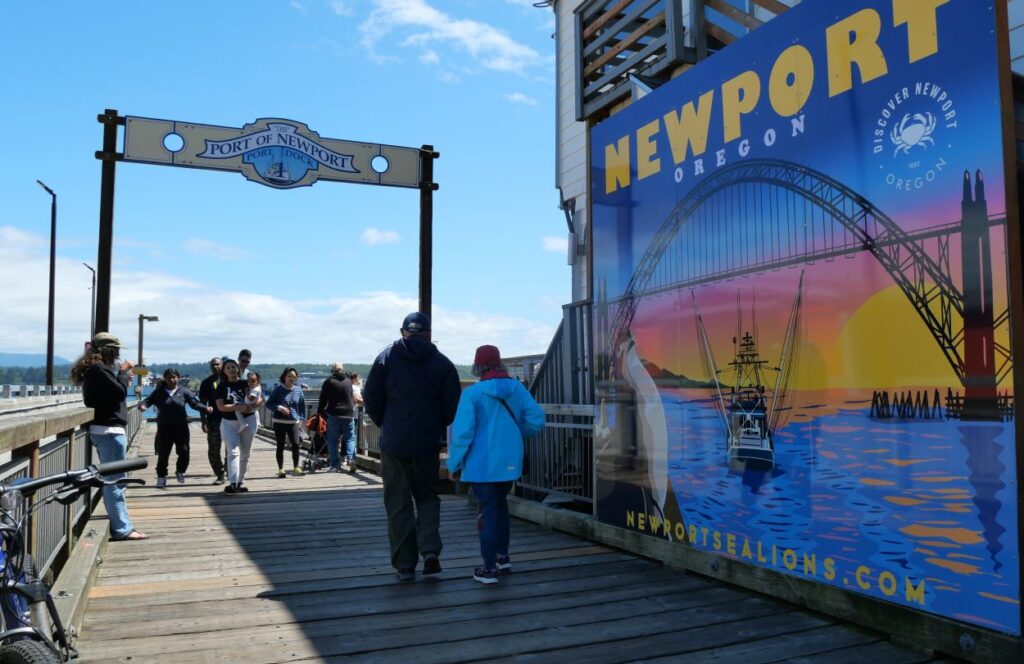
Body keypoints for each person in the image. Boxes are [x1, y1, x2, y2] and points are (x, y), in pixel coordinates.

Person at [364, 312, 461, 581]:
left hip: (394, 441)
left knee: (398, 502)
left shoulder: (386, 359)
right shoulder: (442, 364)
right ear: (429, 334)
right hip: (426, 443)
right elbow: (451, 408)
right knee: (427, 497)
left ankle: (405, 566)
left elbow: (371, 397)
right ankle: (430, 551)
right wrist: (433, 427)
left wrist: (388, 423)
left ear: (403, 331)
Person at [448, 345, 544, 584]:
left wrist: (453, 464)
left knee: (487, 511)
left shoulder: (472, 394)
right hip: (510, 462)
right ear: (499, 363)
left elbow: (462, 434)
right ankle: (503, 556)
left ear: (477, 366)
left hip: (481, 466)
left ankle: (489, 567)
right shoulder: (517, 389)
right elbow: (536, 420)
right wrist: (517, 434)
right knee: (500, 507)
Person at [71, 332, 148, 541]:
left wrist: (123, 379)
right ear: (108, 351)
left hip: (104, 430)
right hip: (109, 432)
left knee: (113, 479)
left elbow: (113, 393)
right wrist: (123, 373)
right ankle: (122, 529)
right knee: (115, 481)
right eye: (116, 351)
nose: (117, 356)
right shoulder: (98, 369)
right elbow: (119, 393)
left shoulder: (96, 370)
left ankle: (121, 523)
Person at [138, 368, 212, 488]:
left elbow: (195, 403)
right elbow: (147, 401)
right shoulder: (159, 392)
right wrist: (143, 406)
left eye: (174, 377)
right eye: (169, 377)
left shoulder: (184, 392)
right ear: (165, 379)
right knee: (163, 453)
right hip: (164, 428)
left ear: (178, 378)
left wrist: (205, 408)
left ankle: (180, 471)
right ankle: (161, 477)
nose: (172, 380)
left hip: (181, 427)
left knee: (184, 451)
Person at [216, 358, 262, 494]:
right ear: (224, 371)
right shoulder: (222, 386)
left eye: (233, 367)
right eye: (228, 367)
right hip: (229, 422)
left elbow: (261, 398)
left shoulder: (246, 383)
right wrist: (236, 407)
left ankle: (241, 481)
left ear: (238, 369)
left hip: (249, 420)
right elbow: (221, 406)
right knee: (233, 451)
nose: (231, 370)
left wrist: (251, 406)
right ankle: (233, 482)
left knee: (245, 453)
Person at [267, 367, 307, 477]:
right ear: (284, 377)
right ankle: (281, 469)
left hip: (293, 422)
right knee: (280, 445)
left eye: (294, 377)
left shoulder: (298, 390)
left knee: (296, 444)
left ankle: (296, 467)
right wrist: (279, 407)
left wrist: (302, 419)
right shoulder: (278, 390)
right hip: (279, 421)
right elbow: (269, 403)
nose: (291, 378)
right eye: (289, 376)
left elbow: (302, 406)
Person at [318, 363, 357, 472]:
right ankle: (351, 459)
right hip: (349, 413)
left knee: (332, 440)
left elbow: (323, 399)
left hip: (334, 413)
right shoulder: (348, 381)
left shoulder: (329, 381)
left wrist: (319, 412)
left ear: (332, 371)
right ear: (343, 370)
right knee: (350, 438)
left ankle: (335, 465)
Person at [198, 357, 226, 484]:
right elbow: (202, 403)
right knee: (213, 449)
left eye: (218, 364)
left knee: (232, 448)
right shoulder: (206, 382)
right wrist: (203, 421)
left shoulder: (229, 380)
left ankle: (230, 471)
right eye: (213, 365)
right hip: (213, 420)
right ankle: (219, 474)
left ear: (222, 365)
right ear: (210, 366)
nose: (216, 367)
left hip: (230, 419)